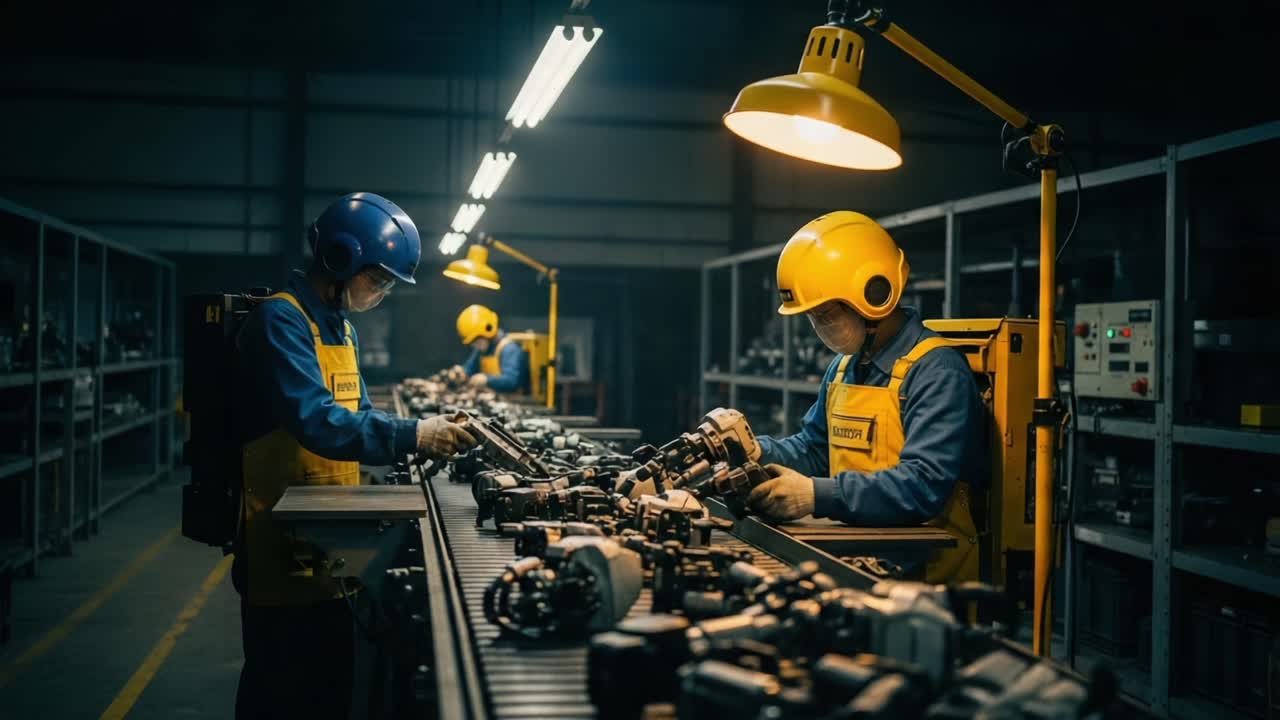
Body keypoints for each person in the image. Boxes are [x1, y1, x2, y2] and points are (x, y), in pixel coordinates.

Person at [232, 192, 477, 719]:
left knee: (330, 683)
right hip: (277, 537)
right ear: (341, 258)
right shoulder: (282, 321)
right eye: (380, 278)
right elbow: (316, 420)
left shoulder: (341, 328)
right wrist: (415, 433)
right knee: (279, 687)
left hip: (328, 536)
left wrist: (422, 441)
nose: (382, 291)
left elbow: (360, 411)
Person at [744, 211, 987, 582]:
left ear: (873, 295)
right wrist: (755, 449)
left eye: (825, 313)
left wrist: (815, 495)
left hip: (926, 577)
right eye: (813, 317)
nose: (819, 328)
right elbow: (815, 449)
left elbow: (923, 485)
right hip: (859, 560)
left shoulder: (936, 371)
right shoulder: (844, 367)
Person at [453, 304, 531, 394]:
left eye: (476, 340)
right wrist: (462, 372)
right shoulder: (482, 350)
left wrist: (486, 379)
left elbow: (512, 381)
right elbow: (470, 368)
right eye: (472, 342)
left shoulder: (510, 350)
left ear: (488, 330)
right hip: (493, 400)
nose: (475, 346)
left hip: (514, 402)